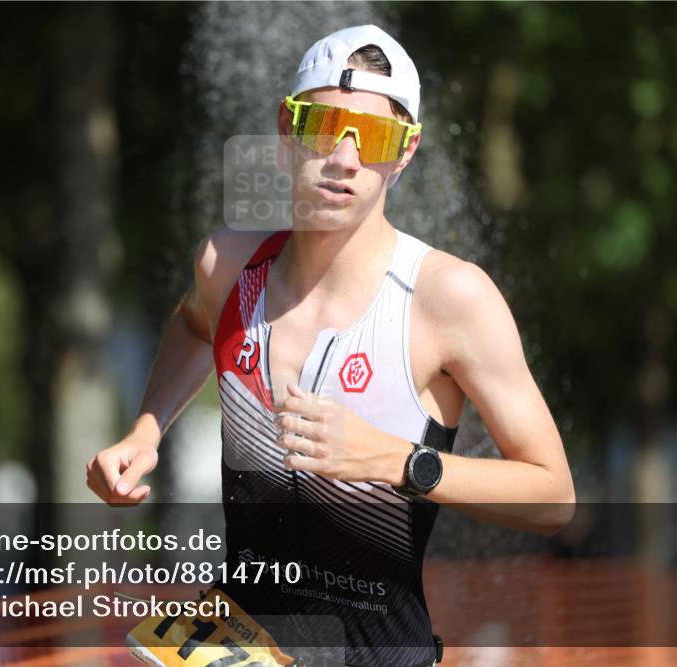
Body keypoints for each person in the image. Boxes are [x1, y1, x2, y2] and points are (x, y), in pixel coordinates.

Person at [89, 24, 576, 667]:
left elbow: (553, 497)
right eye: (324, 126)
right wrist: (146, 431)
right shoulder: (227, 264)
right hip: (241, 644)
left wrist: (396, 461)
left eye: (372, 137)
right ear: (287, 131)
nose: (345, 159)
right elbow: (192, 324)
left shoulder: (448, 297)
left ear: (404, 152)